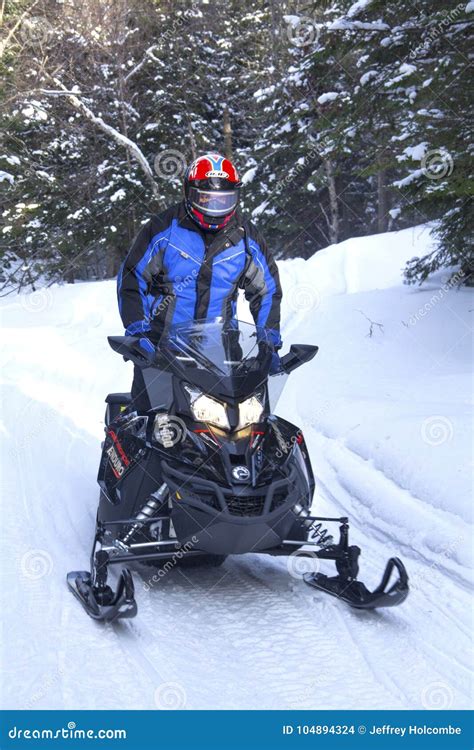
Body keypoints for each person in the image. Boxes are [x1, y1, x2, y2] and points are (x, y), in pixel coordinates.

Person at [117, 153, 282, 410]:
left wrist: (268, 339)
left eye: (224, 201)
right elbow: (132, 278)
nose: (215, 209)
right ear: (189, 193)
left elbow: (266, 290)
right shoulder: (163, 230)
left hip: (222, 354)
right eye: (206, 200)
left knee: (241, 426)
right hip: (162, 351)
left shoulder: (245, 237)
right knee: (150, 420)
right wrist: (138, 331)